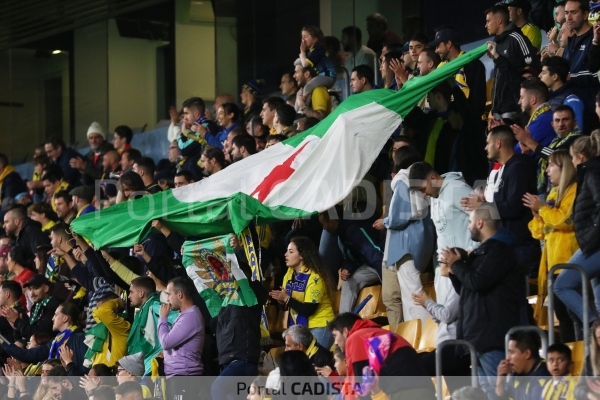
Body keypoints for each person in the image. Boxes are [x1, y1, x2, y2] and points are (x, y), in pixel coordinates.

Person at [440, 203, 522, 399]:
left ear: (480, 222)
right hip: (478, 335)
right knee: (487, 392)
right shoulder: (483, 252)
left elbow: (478, 282)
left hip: (492, 335)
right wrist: (454, 271)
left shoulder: (499, 251)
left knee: (499, 392)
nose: (468, 226)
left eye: (469, 222)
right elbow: (468, 290)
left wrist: (458, 265)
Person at [462, 126, 539, 280]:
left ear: (498, 143)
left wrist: (483, 207)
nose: (485, 148)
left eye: (487, 143)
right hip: (508, 242)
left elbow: (513, 207)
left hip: (519, 243)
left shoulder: (518, 168)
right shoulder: (505, 168)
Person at [409, 161, 480, 321]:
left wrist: (473, 252)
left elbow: (481, 219)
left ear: (433, 178)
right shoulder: (434, 196)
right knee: (445, 322)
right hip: (445, 269)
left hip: (464, 266)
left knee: (463, 319)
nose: (423, 194)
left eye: (423, 189)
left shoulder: (457, 189)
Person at [372, 148, 434, 328]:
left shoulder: (401, 178)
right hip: (422, 242)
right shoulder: (421, 176)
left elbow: (400, 215)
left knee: (411, 296)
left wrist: (387, 220)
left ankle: (422, 335)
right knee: (412, 293)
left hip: (405, 245)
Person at [524, 150, 579, 343]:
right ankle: (571, 360)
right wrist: (537, 214)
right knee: (563, 317)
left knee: (575, 317)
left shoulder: (574, 190)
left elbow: (565, 220)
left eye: (551, 166)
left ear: (563, 169)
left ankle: (584, 360)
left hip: (569, 262)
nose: (547, 171)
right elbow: (538, 232)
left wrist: (542, 209)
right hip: (551, 264)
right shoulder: (553, 193)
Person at [328, 312, 434, 398]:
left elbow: (363, 387)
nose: (335, 342)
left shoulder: (355, 337)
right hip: (424, 388)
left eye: (335, 335)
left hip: (404, 392)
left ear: (345, 331)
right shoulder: (378, 332)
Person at [555, 132, 600, 326]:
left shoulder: (592, 172)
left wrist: (592, 234)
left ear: (580, 157)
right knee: (599, 302)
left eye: (572, 157)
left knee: (561, 285)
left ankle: (593, 327)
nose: (571, 162)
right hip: (593, 243)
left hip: (594, 244)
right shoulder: (589, 173)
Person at [269, 236, 335, 348]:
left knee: (313, 360)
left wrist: (287, 299)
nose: (285, 254)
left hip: (320, 325)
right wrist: (281, 301)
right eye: (286, 251)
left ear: (302, 255)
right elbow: (287, 306)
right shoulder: (289, 274)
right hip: (301, 328)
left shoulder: (315, 278)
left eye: (290, 251)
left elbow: (309, 309)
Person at [319, 208, 382, 314]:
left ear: (332, 222)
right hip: (370, 266)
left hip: (384, 263)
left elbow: (375, 254)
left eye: (323, 224)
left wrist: (387, 279)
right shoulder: (342, 233)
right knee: (349, 280)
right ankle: (343, 319)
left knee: (388, 281)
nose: (324, 229)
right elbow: (354, 257)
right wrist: (348, 268)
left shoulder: (353, 229)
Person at [485, 5, 540, 122]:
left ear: (499, 21)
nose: (486, 25)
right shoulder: (497, 43)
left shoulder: (517, 38)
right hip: (499, 110)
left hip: (514, 109)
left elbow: (532, 69)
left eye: (488, 21)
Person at [0, 302, 88, 375]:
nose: (52, 318)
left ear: (65, 318)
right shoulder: (55, 342)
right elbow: (26, 355)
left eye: (56, 315)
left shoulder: (79, 338)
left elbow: (83, 370)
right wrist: (2, 341)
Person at [158, 277, 204, 399]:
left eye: (169, 294)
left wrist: (162, 318)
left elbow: (166, 342)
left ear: (180, 294)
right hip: (179, 376)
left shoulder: (190, 317)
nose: (167, 299)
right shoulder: (184, 315)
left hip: (184, 377)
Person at [431, 27, 487, 118]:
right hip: (450, 121)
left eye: (438, 46)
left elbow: (478, 101)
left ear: (449, 44)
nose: (436, 50)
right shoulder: (442, 68)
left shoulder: (472, 64)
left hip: (468, 121)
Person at [495, 330, 551, 399]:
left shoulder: (544, 375)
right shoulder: (517, 372)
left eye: (512, 352)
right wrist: (500, 383)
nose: (508, 358)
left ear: (527, 353)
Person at [5, 275, 61, 341]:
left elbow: (39, 335)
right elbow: (27, 334)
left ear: (46, 288)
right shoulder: (35, 306)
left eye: (35, 288)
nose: (32, 293)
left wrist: (18, 321)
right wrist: (17, 329)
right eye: (30, 289)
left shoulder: (53, 306)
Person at [513, 78, 556, 160]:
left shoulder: (544, 120)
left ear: (533, 100)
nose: (519, 102)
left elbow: (516, 150)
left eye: (522, 97)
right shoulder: (543, 116)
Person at [539, 56, 585, 131]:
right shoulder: (548, 97)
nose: (539, 75)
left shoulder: (572, 100)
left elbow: (577, 133)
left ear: (555, 77)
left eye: (543, 73)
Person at [87, 292, 130, 368]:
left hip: (113, 375)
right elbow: (96, 312)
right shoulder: (103, 326)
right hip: (99, 374)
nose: (98, 311)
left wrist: (118, 301)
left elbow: (102, 311)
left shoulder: (120, 327)